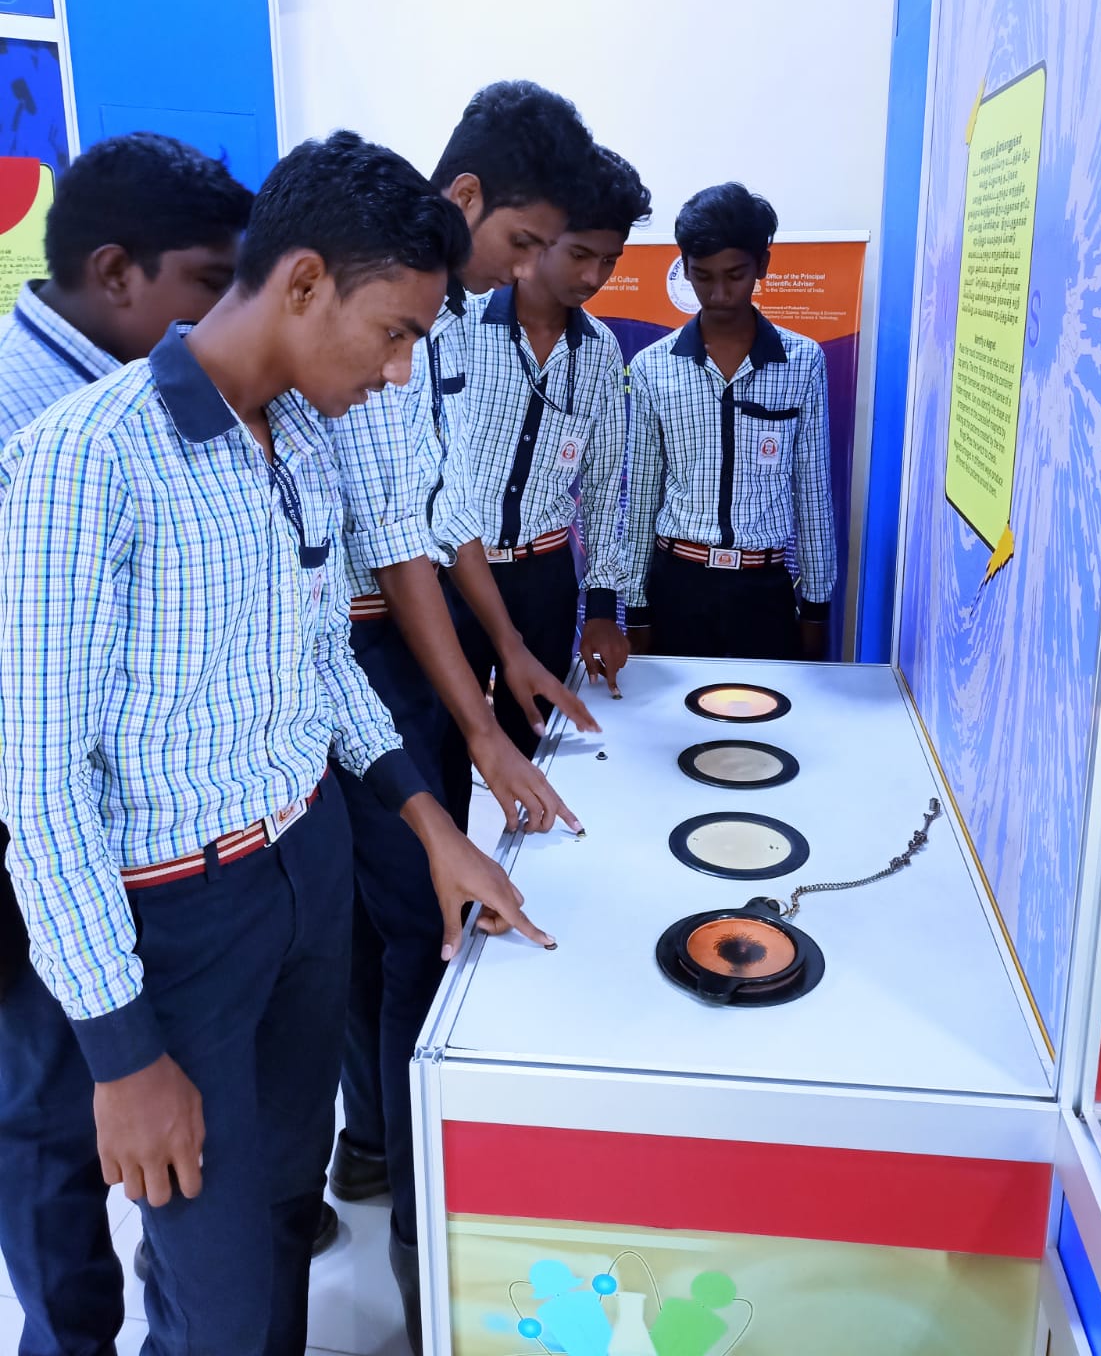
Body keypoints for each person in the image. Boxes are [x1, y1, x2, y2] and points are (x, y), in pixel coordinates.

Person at [0, 130, 551, 1356]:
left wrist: (429, 822)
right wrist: (120, 1052)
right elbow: (38, 789)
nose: (400, 373)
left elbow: (322, 663)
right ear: (303, 282)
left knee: (288, 1212)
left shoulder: (296, 440)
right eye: (394, 334)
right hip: (177, 919)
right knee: (218, 1296)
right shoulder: (85, 464)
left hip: (306, 866)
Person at [322, 83, 600, 1346]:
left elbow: (436, 515)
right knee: (408, 932)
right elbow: (395, 548)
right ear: (469, 196)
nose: (530, 270)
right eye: (526, 242)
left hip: (406, 643)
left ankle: (380, 1149)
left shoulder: (433, 322)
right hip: (359, 654)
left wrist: (504, 675)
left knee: (391, 927)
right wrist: (477, 724)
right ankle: (416, 1221)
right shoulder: (389, 301)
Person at [0, 132, 253, 1356]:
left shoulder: (161, 397)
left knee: (137, 1097)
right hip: (33, 826)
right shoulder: (35, 422)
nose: (224, 313)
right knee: (51, 1104)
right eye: (208, 281)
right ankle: (69, 1337)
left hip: (132, 833)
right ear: (115, 272)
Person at [440, 145, 650, 798]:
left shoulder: (601, 352)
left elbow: (604, 486)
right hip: (451, 574)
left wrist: (603, 605)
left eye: (610, 260)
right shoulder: (457, 324)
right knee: (442, 750)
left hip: (545, 583)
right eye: (580, 253)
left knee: (537, 752)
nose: (594, 276)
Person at [625, 182, 836, 661]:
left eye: (735, 275)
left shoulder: (803, 362)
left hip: (764, 590)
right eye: (702, 276)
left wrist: (817, 608)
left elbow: (812, 492)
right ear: (685, 268)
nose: (718, 294)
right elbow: (641, 496)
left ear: (762, 264)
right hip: (677, 585)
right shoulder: (652, 367)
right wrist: (635, 609)